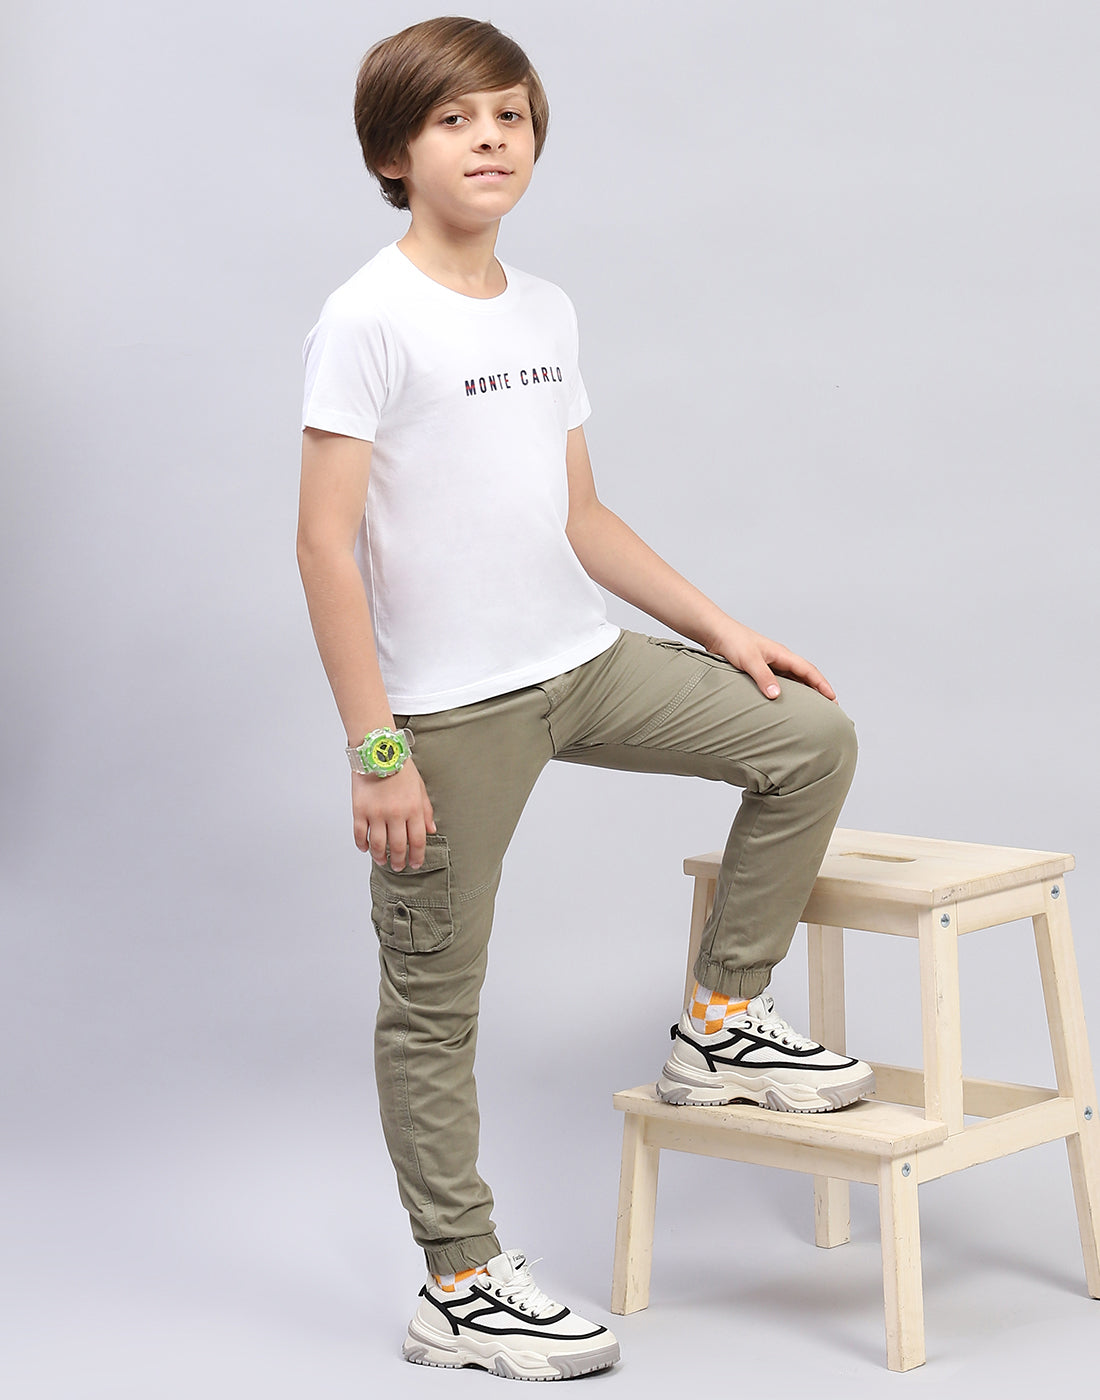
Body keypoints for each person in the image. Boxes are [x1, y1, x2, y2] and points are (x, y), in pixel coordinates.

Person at [296, 15, 872, 1382]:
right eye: (454, 119)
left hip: (582, 664)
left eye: (510, 115)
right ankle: (459, 1283)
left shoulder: (546, 308)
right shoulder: (367, 316)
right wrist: (377, 749)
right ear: (393, 153)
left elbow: (582, 514)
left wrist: (724, 629)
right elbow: (323, 545)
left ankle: (719, 1024)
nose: (490, 138)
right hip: (448, 716)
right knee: (435, 1005)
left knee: (808, 737)